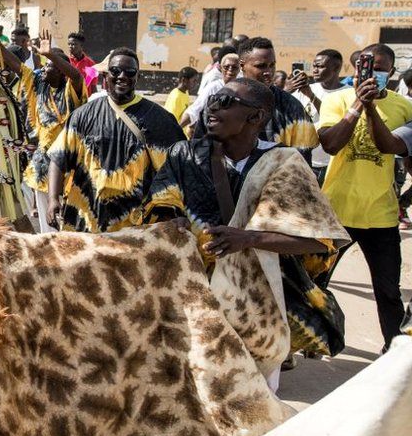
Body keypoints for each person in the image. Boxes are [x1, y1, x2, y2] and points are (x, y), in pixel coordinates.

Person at [146, 78, 349, 388]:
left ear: (256, 117)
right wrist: (171, 220)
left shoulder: (284, 163)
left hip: (258, 306)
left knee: (254, 396)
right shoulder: (184, 154)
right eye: (213, 98)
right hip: (193, 298)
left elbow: (318, 241)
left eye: (226, 102)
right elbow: (162, 202)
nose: (212, 107)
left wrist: (250, 239)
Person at [318, 43, 412, 351]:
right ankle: (309, 341)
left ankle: (395, 353)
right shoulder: (336, 100)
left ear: (392, 72)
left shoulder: (404, 106)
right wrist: (358, 104)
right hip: (335, 212)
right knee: (315, 285)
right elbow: (331, 144)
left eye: (380, 68)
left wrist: (372, 108)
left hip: (380, 215)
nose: (372, 74)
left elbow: (396, 150)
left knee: (388, 292)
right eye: (365, 66)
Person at [46, 47, 185, 233]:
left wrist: (174, 214)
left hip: (135, 230)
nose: (122, 76)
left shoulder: (160, 119)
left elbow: (179, 169)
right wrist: (53, 198)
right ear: (105, 75)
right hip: (86, 224)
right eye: (115, 71)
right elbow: (58, 158)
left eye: (130, 72)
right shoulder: (83, 115)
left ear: (137, 77)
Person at [1, 40, 87, 233]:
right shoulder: (39, 85)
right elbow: (17, 65)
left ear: (60, 71)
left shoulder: (70, 90)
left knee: (68, 221)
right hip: (43, 164)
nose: (43, 69)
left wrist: (50, 55)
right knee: (46, 225)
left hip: (69, 163)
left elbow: (77, 75)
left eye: (49, 66)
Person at [235, 37, 318, 159]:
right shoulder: (225, 101)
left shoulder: (290, 105)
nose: (268, 72)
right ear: (242, 65)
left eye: (272, 65)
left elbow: (303, 156)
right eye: (261, 66)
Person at [285, 49, 346, 183]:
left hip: (332, 165)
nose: (315, 70)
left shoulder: (347, 93)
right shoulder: (303, 88)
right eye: (314, 66)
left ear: (336, 68)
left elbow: (338, 121)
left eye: (320, 66)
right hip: (304, 162)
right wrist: (285, 91)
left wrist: (311, 96)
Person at [182, 51, 240, 130]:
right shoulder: (213, 87)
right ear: (220, 67)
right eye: (226, 67)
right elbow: (194, 110)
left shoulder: (242, 88)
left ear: (239, 69)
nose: (230, 70)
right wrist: (179, 127)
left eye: (234, 67)